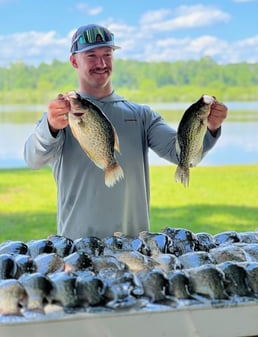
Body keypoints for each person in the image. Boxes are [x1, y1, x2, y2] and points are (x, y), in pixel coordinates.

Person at [24, 24, 228, 240]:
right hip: (76, 246)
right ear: (74, 61)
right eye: (91, 55)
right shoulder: (60, 116)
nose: (101, 63)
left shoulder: (142, 115)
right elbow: (32, 159)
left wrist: (210, 128)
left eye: (107, 54)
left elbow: (182, 155)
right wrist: (50, 125)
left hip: (134, 247)